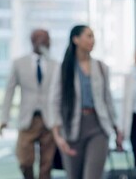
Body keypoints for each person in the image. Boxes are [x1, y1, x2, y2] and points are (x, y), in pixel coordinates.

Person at [49, 25, 122, 179]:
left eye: (93, 36)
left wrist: (116, 127)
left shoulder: (101, 67)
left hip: (98, 127)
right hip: (71, 129)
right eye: (88, 36)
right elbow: (54, 101)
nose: (92, 40)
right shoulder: (63, 68)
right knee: (74, 175)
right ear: (75, 39)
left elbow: (107, 99)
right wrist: (58, 136)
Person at [0, 29, 57, 179]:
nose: (47, 43)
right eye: (43, 39)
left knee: (47, 164)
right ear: (34, 41)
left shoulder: (55, 65)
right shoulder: (19, 63)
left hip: (49, 120)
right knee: (24, 160)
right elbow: (9, 92)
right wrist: (4, 118)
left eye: (48, 39)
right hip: (27, 120)